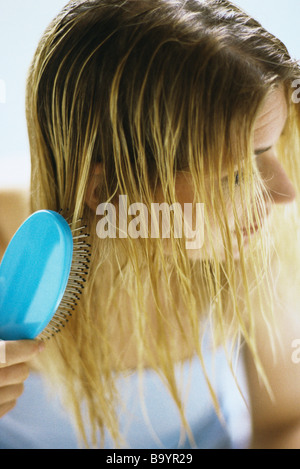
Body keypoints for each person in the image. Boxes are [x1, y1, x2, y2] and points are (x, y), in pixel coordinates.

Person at [0, 0, 300, 449]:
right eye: (235, 175)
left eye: (270, 150)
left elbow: (284, 423)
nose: (283, 194)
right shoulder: (10, 259)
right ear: (104, 190)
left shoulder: (249, 242)